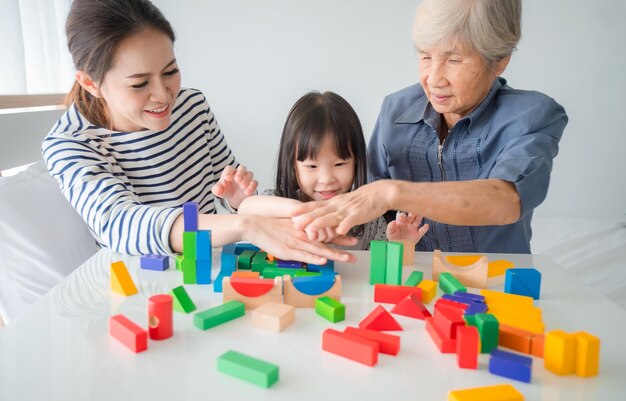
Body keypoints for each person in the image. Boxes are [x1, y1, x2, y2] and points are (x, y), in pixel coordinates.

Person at [42, 0, 354, 264]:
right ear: (90, 83)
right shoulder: (70, 144)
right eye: (139, 84)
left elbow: (229, 194)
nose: (163, 95)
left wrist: (241, 203)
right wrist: (244, 224)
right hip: (141, 286)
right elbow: (122, 225)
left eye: (170, 72)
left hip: (212, 269)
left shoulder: (191, 106)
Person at [292, 0, 568, 254]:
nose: (433, 79)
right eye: (425, 56)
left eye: (453, 59)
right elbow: (367, 205)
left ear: (499, 61)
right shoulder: (395, 110)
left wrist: (393, 193)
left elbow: (507, 201)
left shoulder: (532, 116)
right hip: (412, 280)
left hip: (496, 282)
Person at [238, 91, 429, 250]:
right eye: (311, 166)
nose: (326, 179)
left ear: (356, 161)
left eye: (339, 164)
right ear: (292, 164)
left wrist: (401, 246)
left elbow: (383, 278)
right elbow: (246, 209)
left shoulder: (368, 218)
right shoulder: (277, 201)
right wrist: (303, 211)